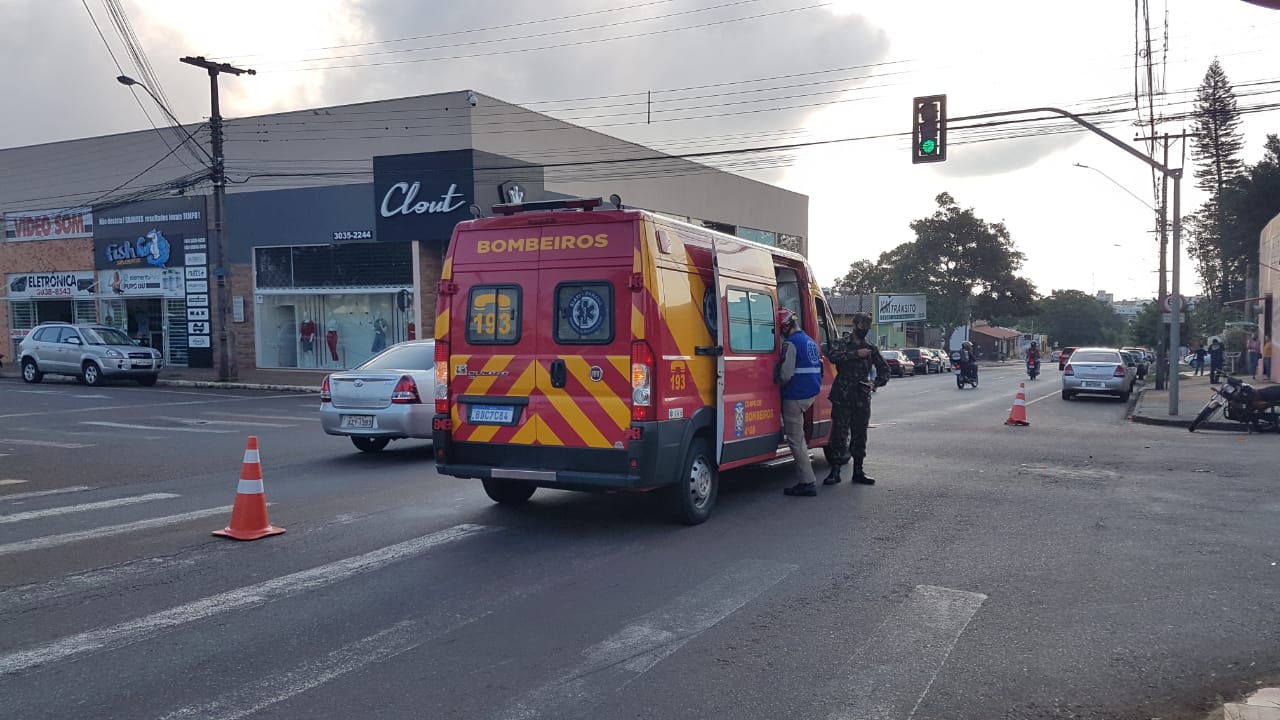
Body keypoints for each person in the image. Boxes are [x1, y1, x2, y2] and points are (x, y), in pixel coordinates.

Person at [822, 312, 890, 486]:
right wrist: (856, 354)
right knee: (839, 434)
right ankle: (835, 470)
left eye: (867, 327)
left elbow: (885, 370)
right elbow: (833, 356)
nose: (864, 330)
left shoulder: (871, 348)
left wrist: (874, 384)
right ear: (854, 325)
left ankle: (858, 470)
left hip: (861, 396)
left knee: (860, 435)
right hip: (842, 396)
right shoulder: (842, 343)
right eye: (862, 326)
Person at [776, 308, 824, 497]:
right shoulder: (810, 341)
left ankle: (807, 482)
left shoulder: (791, 344)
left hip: (795, 395)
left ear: (787, 326)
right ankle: (807, 480)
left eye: (781, 329)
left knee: (796, 441)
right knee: (799, 436)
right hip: (809, 394)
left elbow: (786, 374)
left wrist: (777, 381)